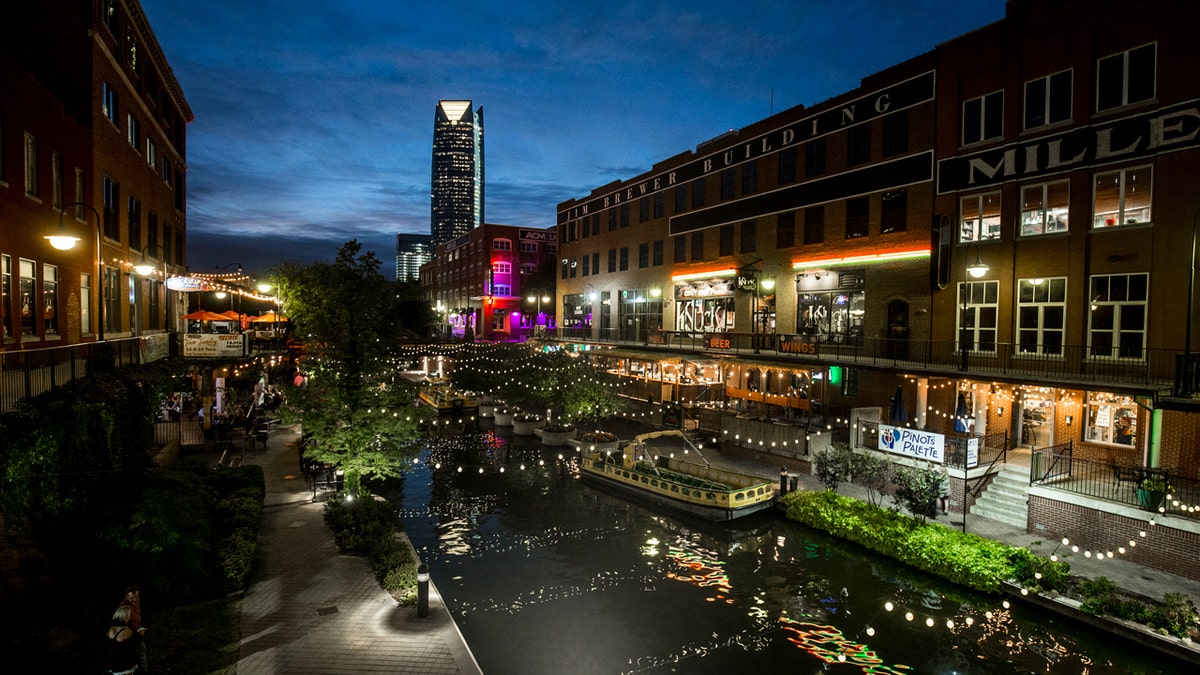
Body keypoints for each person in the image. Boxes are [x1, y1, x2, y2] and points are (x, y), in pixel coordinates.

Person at [118, 586, 148, 672]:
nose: (135, 599)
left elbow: (137, 617)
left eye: (137, 596)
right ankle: (143, 670)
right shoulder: (123, 608)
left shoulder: (136, 602)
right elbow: (120, 624)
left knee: (140, 650)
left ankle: (140, 669)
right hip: (129, 635)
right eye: (133, 598)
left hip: (136, 632)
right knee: (140, 649)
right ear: (127, 596)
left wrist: (139, 628)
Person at [106, 605, 140, 675]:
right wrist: (139, 633)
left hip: (113, 666)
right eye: (130, 615)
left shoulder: (111, 629)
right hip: (124, 666)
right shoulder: (126, 630)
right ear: (125, 616)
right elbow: (137, 642)